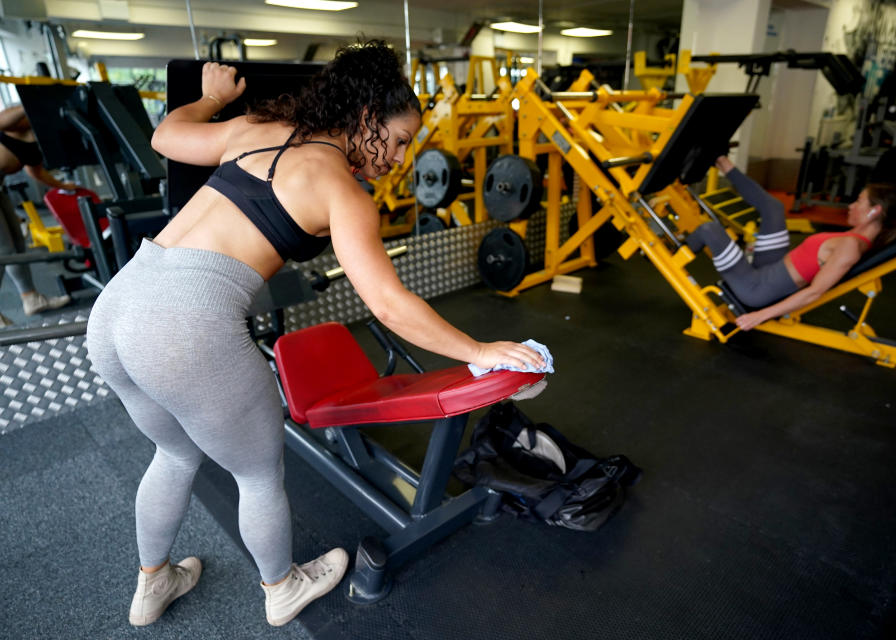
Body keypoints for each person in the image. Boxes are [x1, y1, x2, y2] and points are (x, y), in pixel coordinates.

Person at [84, 40, 546, 628]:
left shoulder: (255, 127)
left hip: (118, 306)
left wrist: (210, 100)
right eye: (399, 140)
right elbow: (388, 304)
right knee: (256, 473)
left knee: (174, 451)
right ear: (365, 118)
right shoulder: (342, 191)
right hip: (183, 325)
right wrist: (480, 351)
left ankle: (153, 583)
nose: (401, 158)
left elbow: (165, 137)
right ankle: (281, 588)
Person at [686, 155, 896, 332]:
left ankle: (672, 249)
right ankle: (722, 161)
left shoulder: (850, 247)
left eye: (858, 201)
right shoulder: (855, 237)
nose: (851, 205)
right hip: (771, 268)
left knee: (709, 229)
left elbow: (815, 292)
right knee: (774, 208)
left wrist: (759, 316)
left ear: (875, 210)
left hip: (756, 288)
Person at [0, 104, 79, 326]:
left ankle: (31, 298)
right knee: (4, 251)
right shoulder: (20, 125)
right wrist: (33, 99)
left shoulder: (42, 136)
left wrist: (64, 185)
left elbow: (35, 171)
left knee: (17, 245)